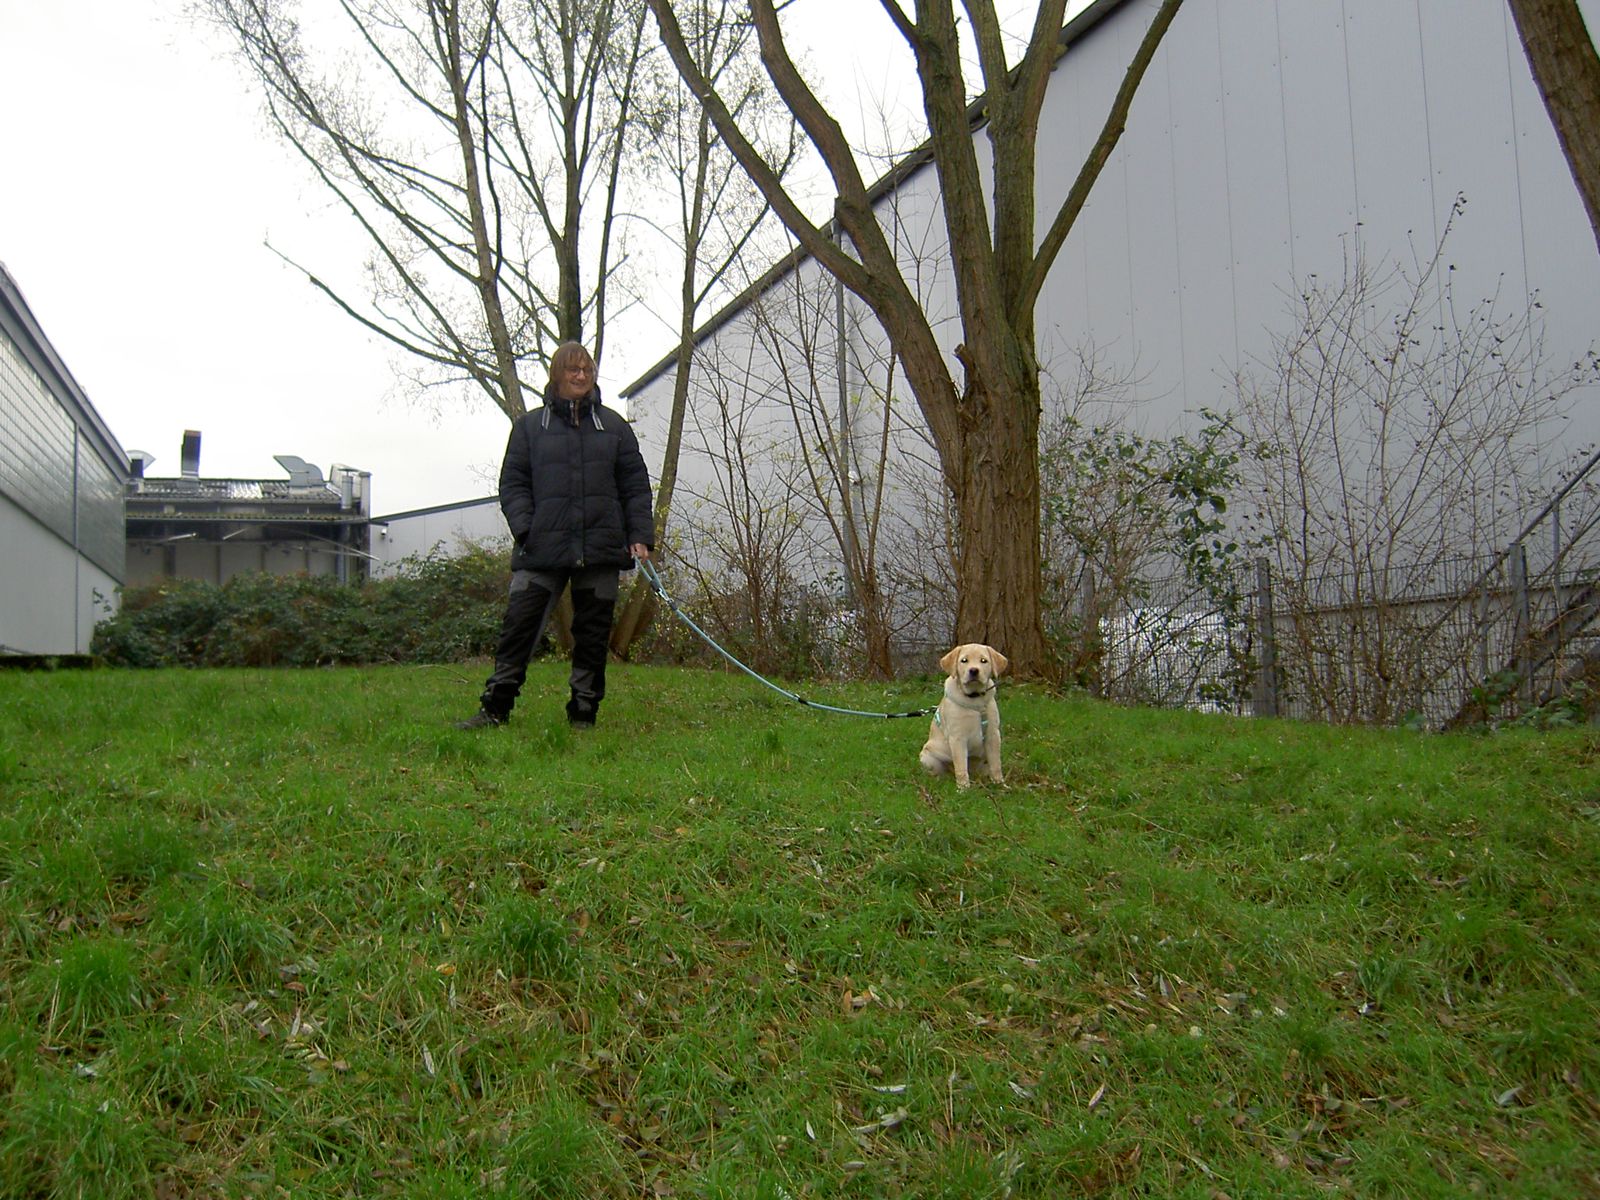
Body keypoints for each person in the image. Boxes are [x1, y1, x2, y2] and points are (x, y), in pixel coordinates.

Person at [457, 342, 654, 729]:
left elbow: (635, 486)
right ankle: (495, 708)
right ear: (557, 374)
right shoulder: (530, 428)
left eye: (586, 369)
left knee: (593, 635)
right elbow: (513, 484)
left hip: (600, 548)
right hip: (540, 548)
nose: (581, 376)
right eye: (573, 369)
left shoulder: (614, 427)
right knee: (519, 627)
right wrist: (526, 529)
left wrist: (640, 535)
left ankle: (583, 712)